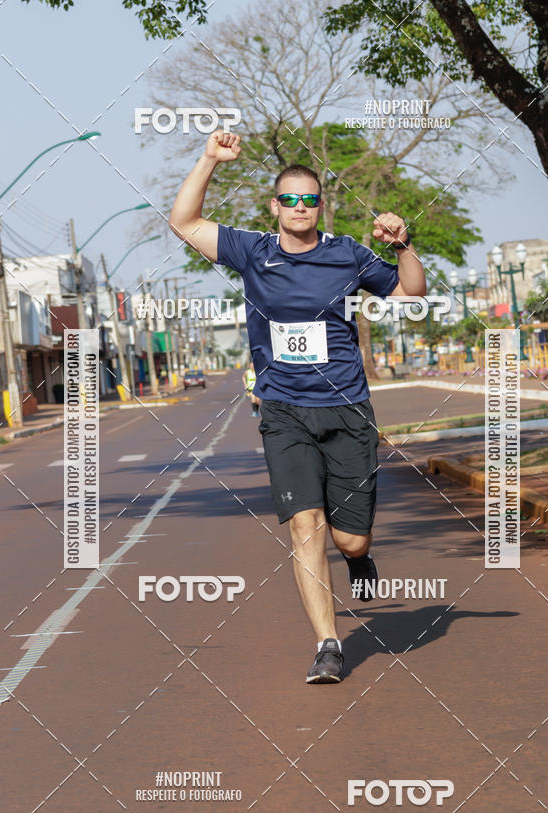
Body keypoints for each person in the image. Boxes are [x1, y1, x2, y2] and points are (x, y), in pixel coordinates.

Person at [169, 130, 426, 684]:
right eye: (291, 199)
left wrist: (403, 246)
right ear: (275, 206)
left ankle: (359, 559)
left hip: (348, 409)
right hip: (283, 410)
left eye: (311, 199)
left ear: (321, 207)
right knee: (305, 525)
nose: (301, 207)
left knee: (349, 537)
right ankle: (329, 645)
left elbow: (409, 294)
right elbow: (185, 222)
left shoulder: (348, 254)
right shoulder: (252, 250)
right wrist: (210, 158)